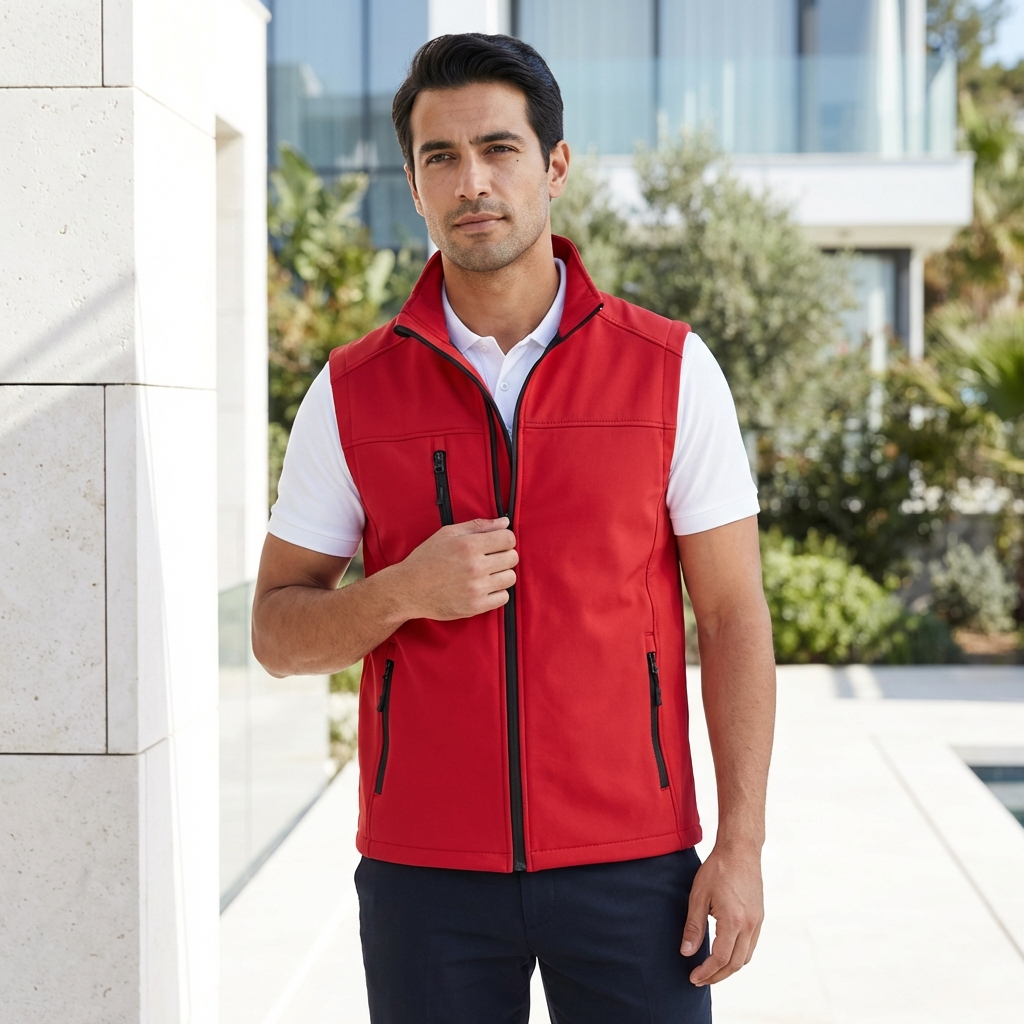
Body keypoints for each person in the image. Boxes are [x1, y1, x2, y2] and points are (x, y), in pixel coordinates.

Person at [252, 32, 776, 1024]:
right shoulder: (352, 391)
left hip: (633, 864)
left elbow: (733, 614)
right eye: (440, 157)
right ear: (414, 185)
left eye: (498, 148)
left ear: (554, 166)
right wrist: (400, 591)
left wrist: (740, 844)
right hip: (425, 875)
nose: (472, 182)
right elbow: (277, 632)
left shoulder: (670, 370)